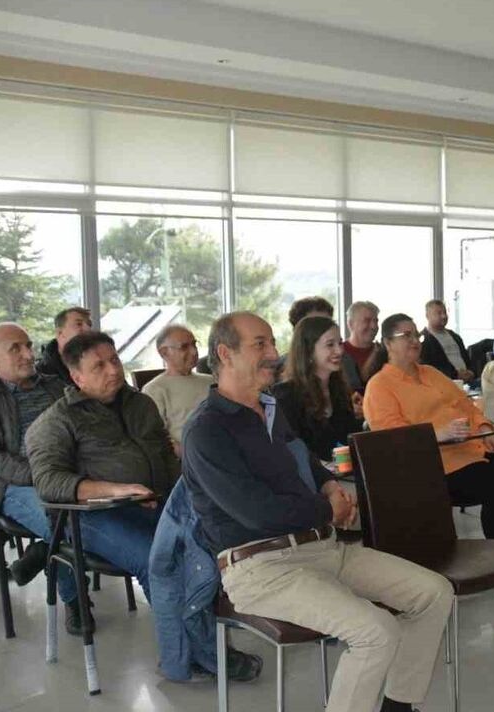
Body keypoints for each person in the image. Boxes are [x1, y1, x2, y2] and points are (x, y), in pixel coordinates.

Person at [182, 311, 453, 712]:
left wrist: (328, 485)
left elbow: (303, 458)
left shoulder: (269, 408)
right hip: (261, 568)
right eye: (261, 344)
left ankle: (398, 706)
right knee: (376, 632)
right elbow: (257, 512)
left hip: (323, 549)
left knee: (434, 593)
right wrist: (328, 508)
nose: (273, 353)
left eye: (272, 342)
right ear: (225, 354)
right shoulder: (206, 430)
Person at [24, 331, 180, 631]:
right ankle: (188, 651)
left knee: (208, 544)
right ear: (77, 377)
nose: (113, 370)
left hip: (157, 503)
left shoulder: (141, 404)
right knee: (158, 560)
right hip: (91, 518)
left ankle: (208, 639)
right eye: (99, 366)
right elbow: (49, 482)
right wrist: (119, 491)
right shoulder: (57, 421)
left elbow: (165, 454)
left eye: (115, 360)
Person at [363, 314, 494, 550]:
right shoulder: (379, 386)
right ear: (387, 343)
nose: (415, 341)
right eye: (406, 335)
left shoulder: (430, 372)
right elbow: (392, 437)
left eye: (417, 335)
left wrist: (486, 431)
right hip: (434, 465)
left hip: (473, 448)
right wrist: (436, 434)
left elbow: (467, 407)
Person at [0, 323, 67, 599]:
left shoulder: (55, 386)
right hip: (17, 483)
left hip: (70, 473)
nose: (28, 354)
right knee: (68, 525)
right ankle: (76, 602)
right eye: (15, 349)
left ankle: (43, 551)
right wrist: (40, 475)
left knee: (95, 521)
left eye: (28, 346)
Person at [273, 316, 363, 462]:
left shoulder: (340, 391)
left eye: (340, 343)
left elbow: (349, 440)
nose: (339, 350)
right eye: (330, 345)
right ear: (308, 351)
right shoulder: (286, 395)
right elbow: (291, 450)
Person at [141, 325, 213, 457]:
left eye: (194, 344)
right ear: (164, 353)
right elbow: (157, 437)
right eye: (184, 347)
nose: (194, 352)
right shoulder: (155, 389)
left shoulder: (212, 381)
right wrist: (192, 455)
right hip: (187, 458)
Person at [419, 299, 474, 384]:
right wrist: (456, 375)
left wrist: (471, 372)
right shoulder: (423, 340)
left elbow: (467, 359)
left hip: (468, 381)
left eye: (445, 312)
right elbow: (428, 367)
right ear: (428, 316)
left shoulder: (455, 336)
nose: (444, 316)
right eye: (439, 313)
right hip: (444, 382)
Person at [36, 306, 92, 382]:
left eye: (89, 325)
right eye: (79, 324)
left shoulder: (99, 363)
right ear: (60, 333)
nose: (88, 329)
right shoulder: (40, 374)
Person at [342, 300, 380, 395]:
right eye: (367, 321)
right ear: (350, 324)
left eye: (376, 321)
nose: (374, 326)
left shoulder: (384, 352)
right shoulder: (338, 353)